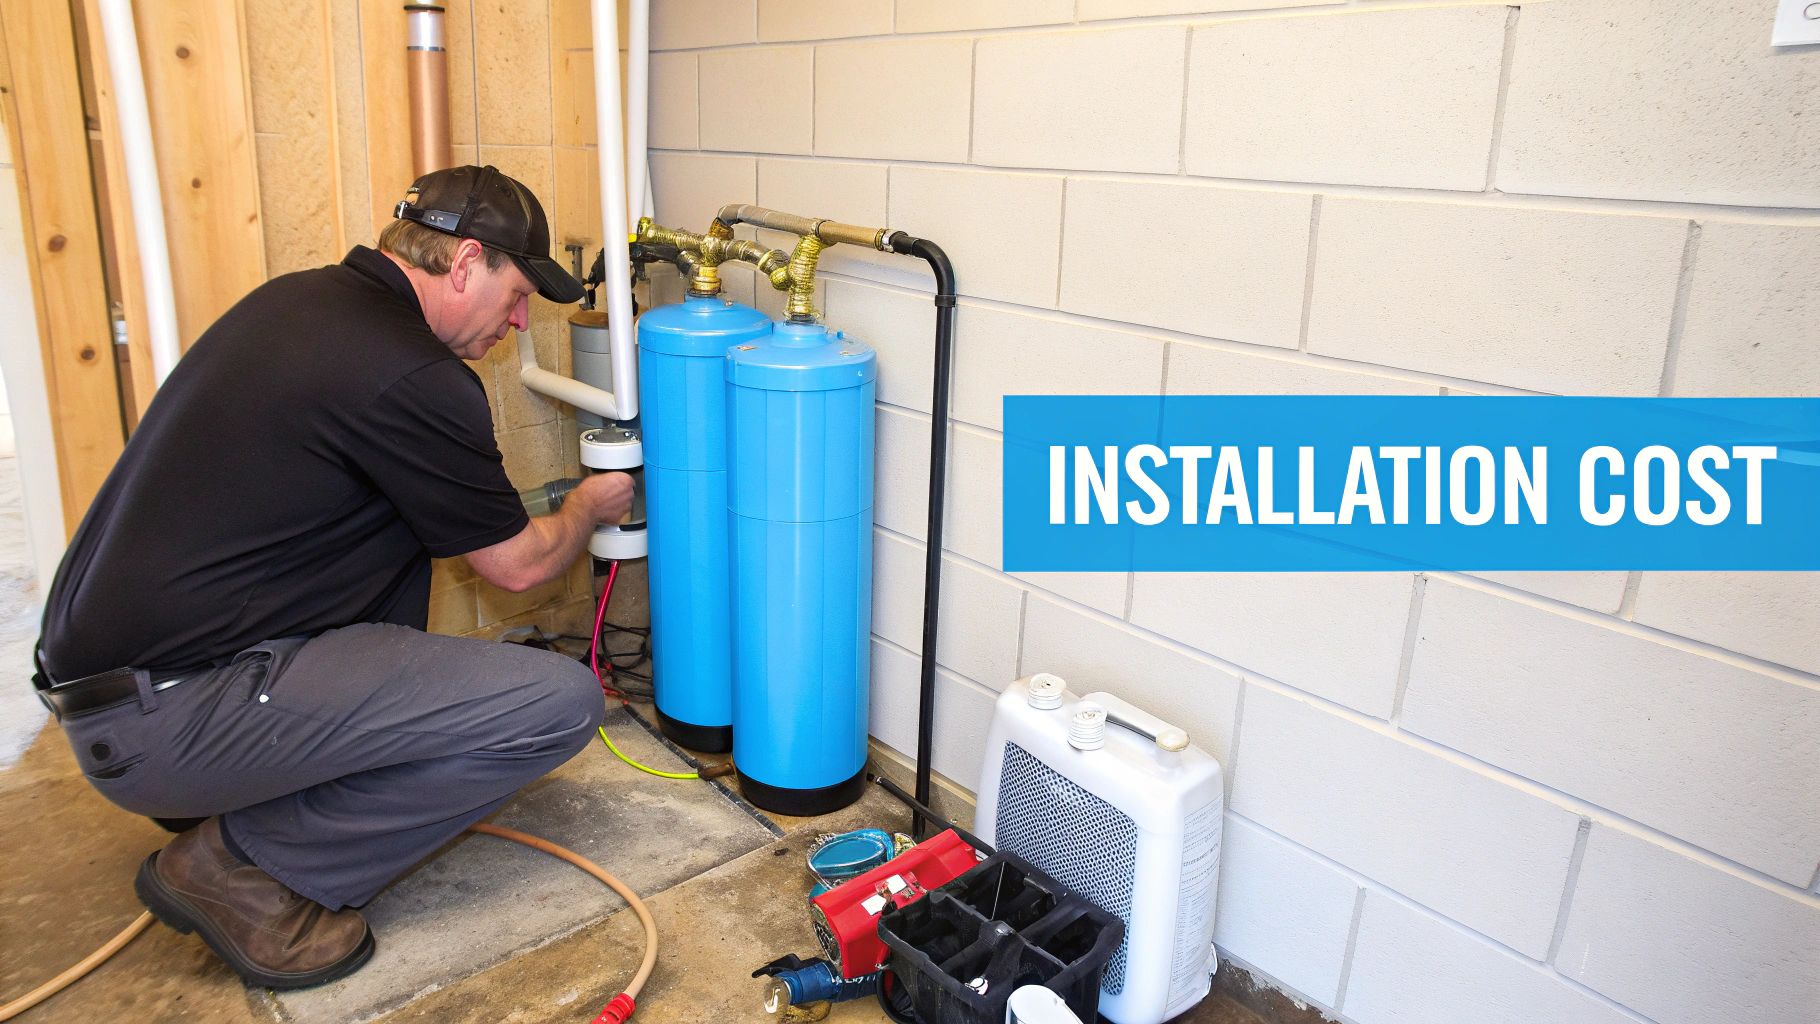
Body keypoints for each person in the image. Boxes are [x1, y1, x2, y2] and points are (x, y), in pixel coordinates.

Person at [31, 165, 631, 989]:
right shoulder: (413, 374)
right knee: (558, 704)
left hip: (113, 690)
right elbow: (520, 567)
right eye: (519, 292)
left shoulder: (299, 304)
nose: (519, 320)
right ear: (463, 264)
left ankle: (229, 805)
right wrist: (590, 508)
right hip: (162, 721)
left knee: (395, 616)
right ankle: (240, 871)